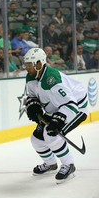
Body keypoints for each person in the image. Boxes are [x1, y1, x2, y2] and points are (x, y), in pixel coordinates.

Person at [23, 48, 88, 184]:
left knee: (51, 134)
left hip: (76, 108)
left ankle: (69, 164)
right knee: (36, 140)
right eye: (26, 64)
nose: (27, 67)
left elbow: (71, 105)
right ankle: (51, 164)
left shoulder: (52, 80)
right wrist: (33, 106)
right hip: (56, 107)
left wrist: (58, 120)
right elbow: (32, 95)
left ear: (39, 64)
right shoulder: (31, 77)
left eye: (30, 64)